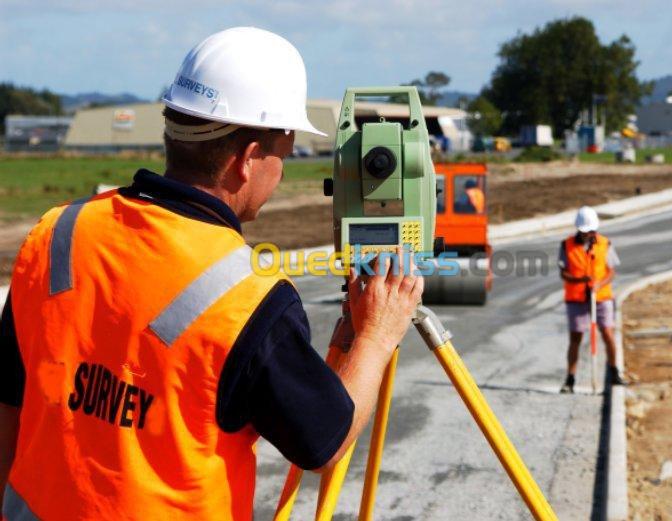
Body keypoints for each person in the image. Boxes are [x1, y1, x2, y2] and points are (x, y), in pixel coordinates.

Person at [0, 27, 423, 520]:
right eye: (281, 158)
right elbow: (323, 442)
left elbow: (10, 399)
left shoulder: (58, 233)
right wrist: (376, 333)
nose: (280, 174)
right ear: (247, 161)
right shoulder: (247, 298)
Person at [558, 206, 627, 393]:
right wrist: (581, 280)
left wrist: (599, 284)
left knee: (607, 333)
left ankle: (614, 373)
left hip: (601, 297)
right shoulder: (567, 245)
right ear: (579, 229)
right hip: (576, 298)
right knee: (576, 338)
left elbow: (611, 271)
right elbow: (563, 273)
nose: (590, 233)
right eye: (586, 231)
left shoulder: (605, 244)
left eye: (592, 230)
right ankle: (570, 379)